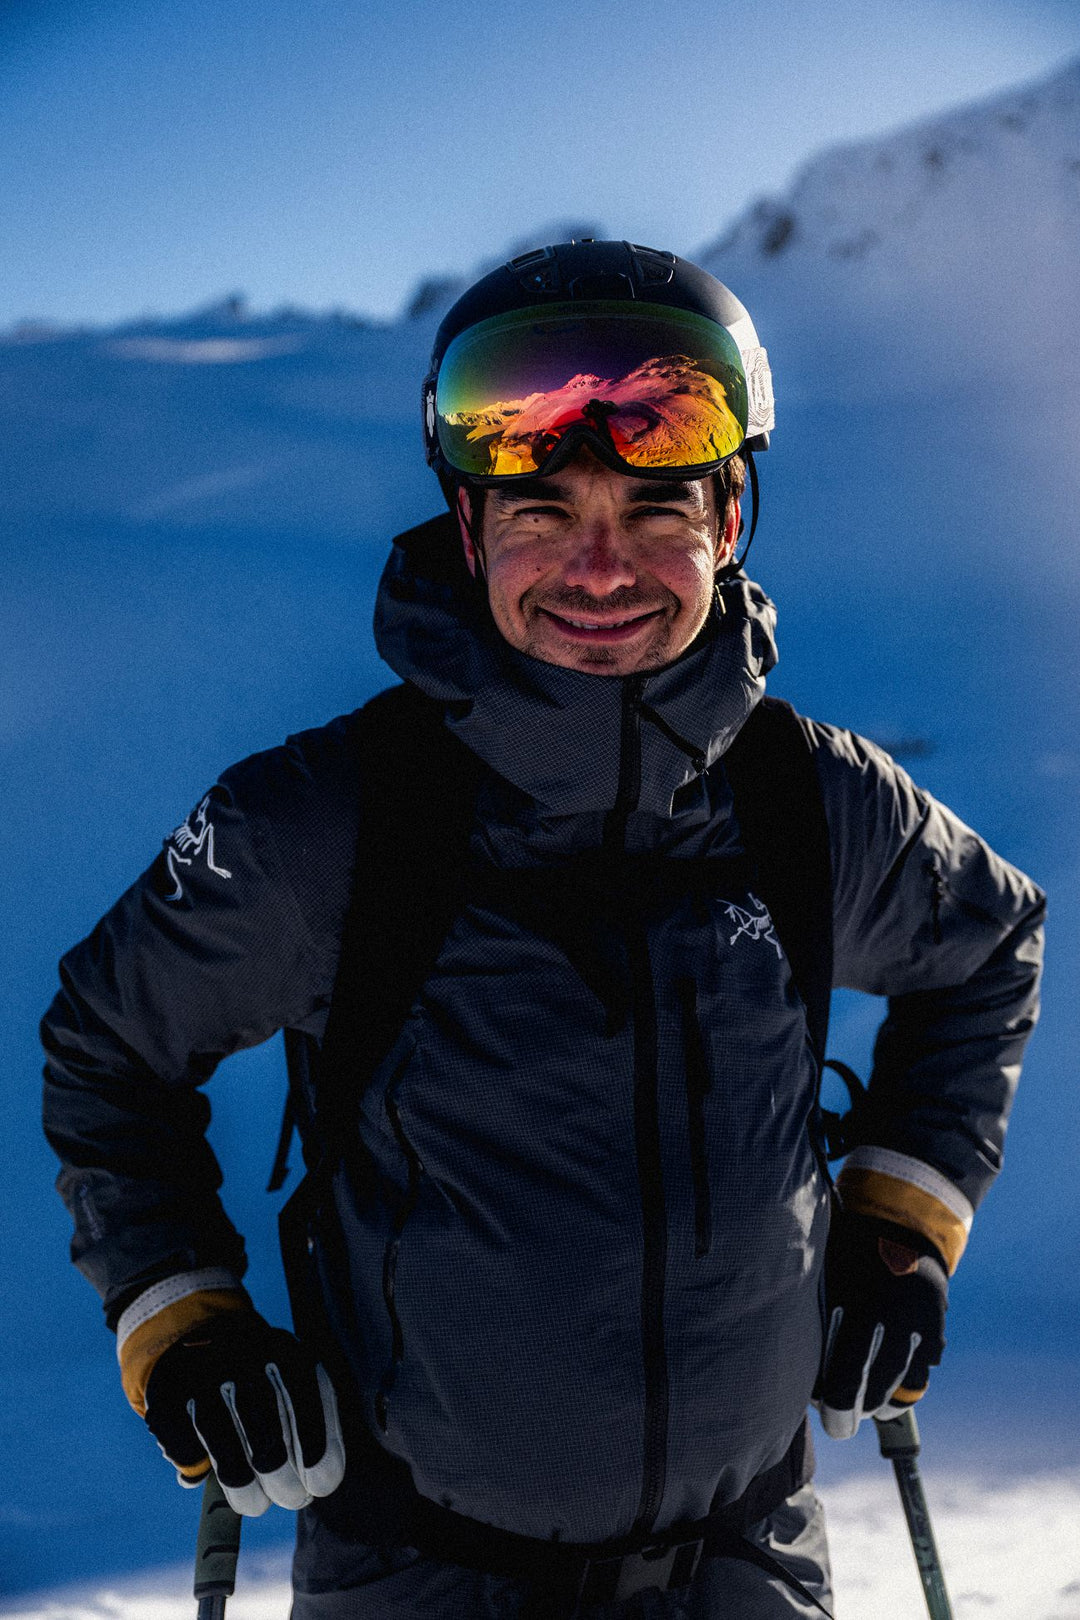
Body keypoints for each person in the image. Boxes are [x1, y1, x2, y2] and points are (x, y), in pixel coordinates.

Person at [42, 239, 1045, 1619]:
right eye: (540, 508)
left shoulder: (810, 801)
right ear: (468, 530)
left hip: (750, 1562)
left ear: (730, 522)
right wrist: (181, 1318)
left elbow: (989, 949)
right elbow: (108, 1049)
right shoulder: (327, 822)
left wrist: (901, 1228)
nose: (599, 565)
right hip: (419, 1568)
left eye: (655, 506)